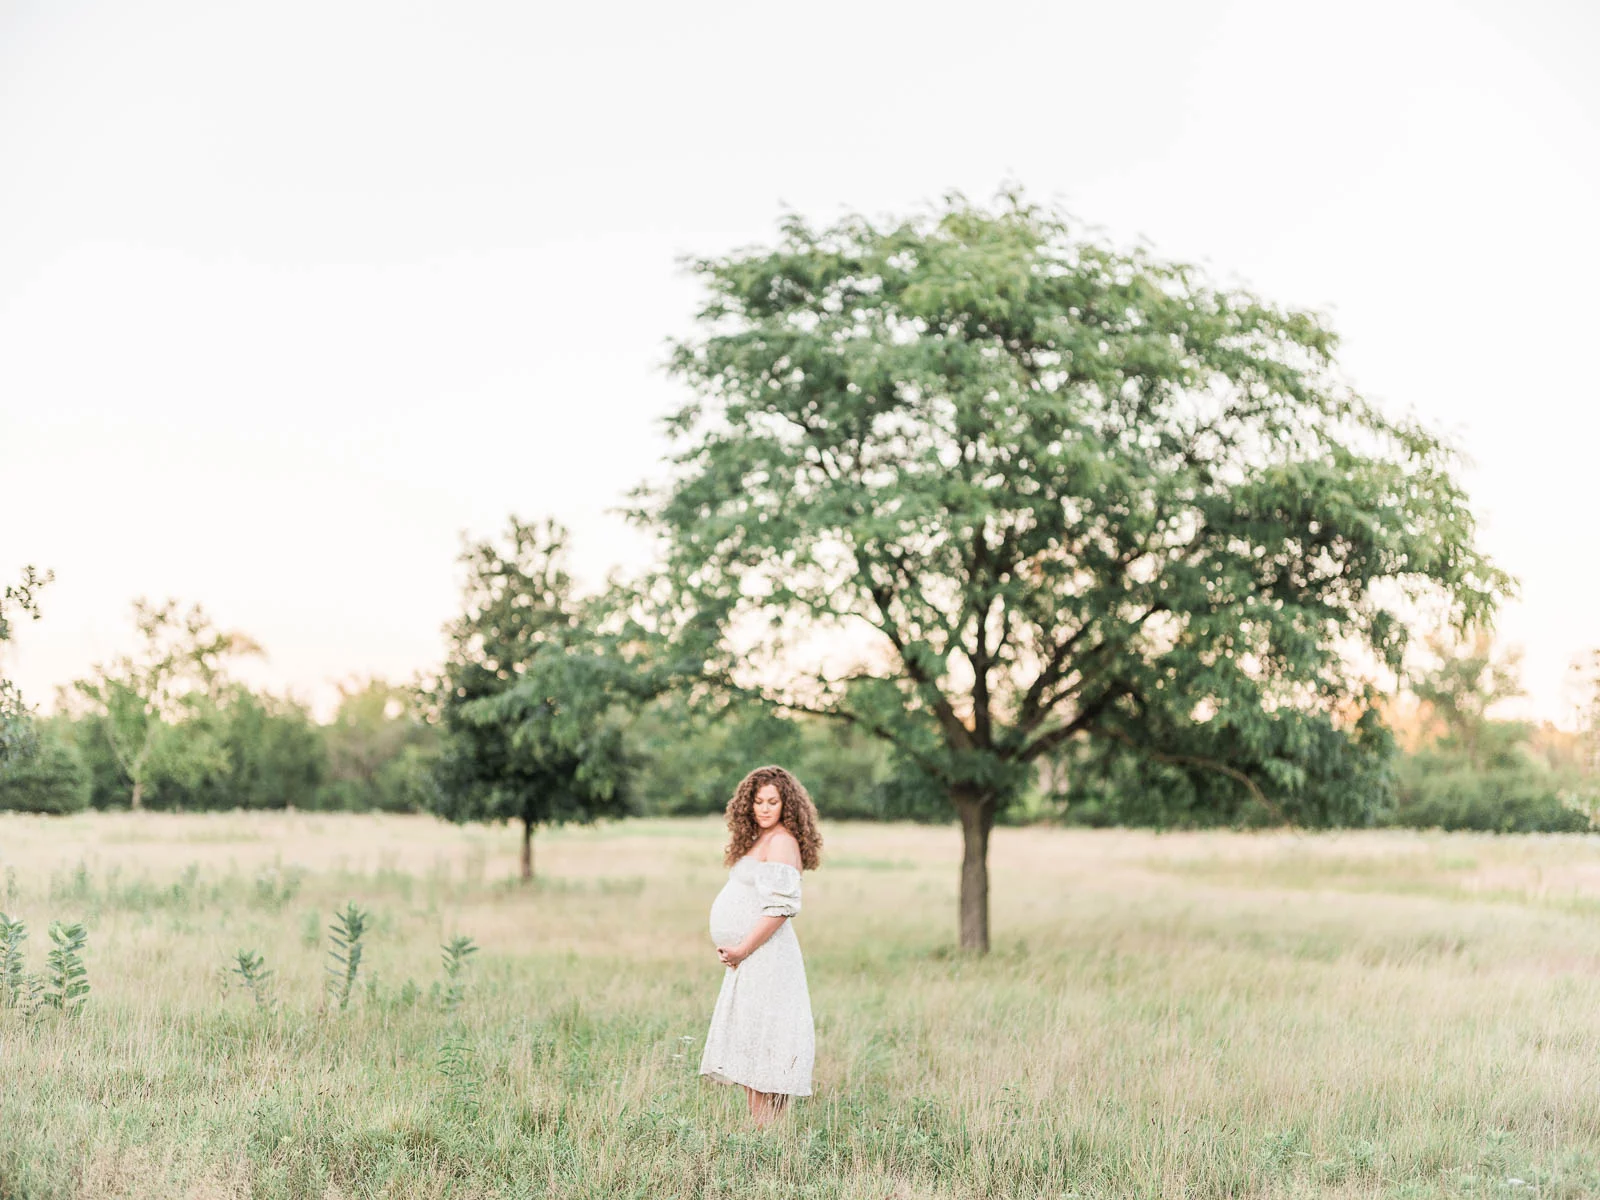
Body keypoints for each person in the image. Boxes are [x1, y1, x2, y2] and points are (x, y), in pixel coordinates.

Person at [698, 764, 821, 1128]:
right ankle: (767, 1136)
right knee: (754, 1044)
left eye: (773, 801)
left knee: (762, 1047)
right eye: (758, 801)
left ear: (787, 805)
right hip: (752, 958)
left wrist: (742, 949)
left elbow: (780, 910)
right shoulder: (762, 839)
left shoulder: (782, 841)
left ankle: (765, 1138)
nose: (764, 808)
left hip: (764, 957)